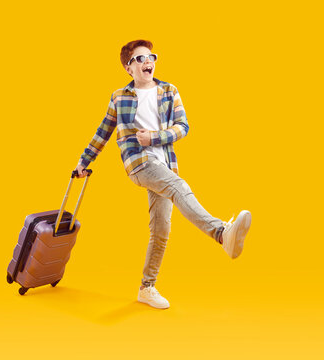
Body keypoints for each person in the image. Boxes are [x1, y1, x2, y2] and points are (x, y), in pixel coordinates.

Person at [74, 39, 252, 309]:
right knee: (178, 186)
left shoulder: (170, 91)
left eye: (151, 57)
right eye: (140, 58)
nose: (148, 62)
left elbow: (183, 127)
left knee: (161, 230)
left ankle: (146, 287)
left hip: (164, 161)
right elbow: (103, 132)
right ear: (128, 67)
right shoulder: (119, 97)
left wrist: (156, 138)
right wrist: (83, 161)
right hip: (138, 163)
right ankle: (220, 233)